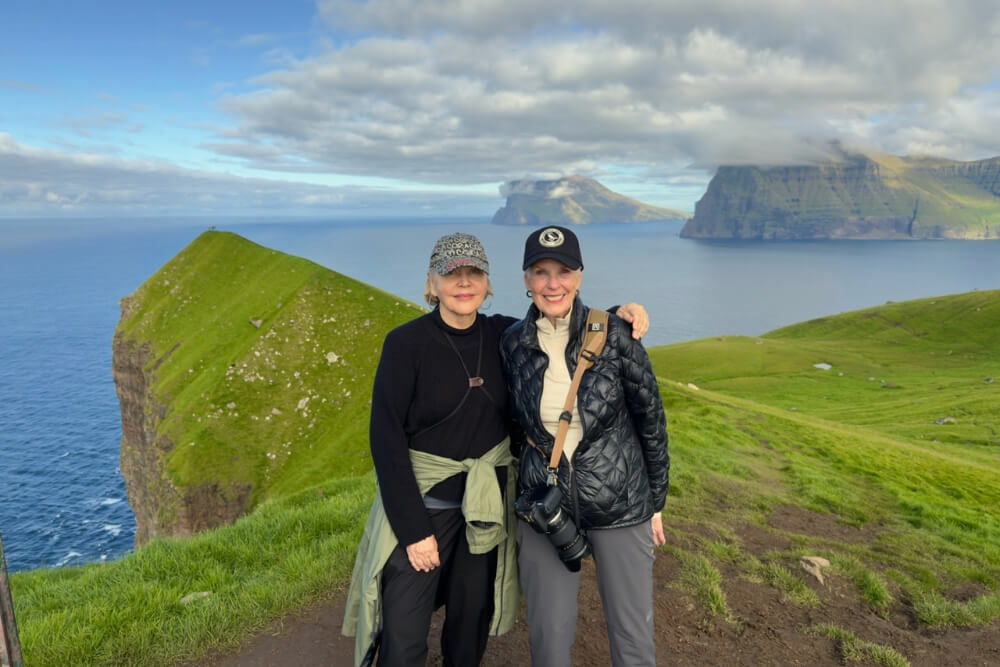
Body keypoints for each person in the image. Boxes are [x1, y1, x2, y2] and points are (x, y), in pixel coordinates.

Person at [342, 232, 650, 667]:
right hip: (424, 505)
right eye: (452, 274)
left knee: (469, 624)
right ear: (432, 283)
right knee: (404, 630)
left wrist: (620, 313)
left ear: (487, 284)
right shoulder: (404, 343)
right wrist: (413, 532)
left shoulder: (503, 334)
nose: (463, 283)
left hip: (484, 507)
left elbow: (560, 318)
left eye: (474, 274)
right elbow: (386, 439)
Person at [500, 225, 669, 667]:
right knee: (548, 636)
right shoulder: (512, 343)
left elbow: (650, 419)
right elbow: (516, 428)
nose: (552, 283)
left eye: (563, 271)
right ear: (525, 279)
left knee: (632, 636)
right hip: (545, 505)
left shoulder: (615, 333)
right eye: (540, 272)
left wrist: (656, 502)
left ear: (579, 275)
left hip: (619, 499)